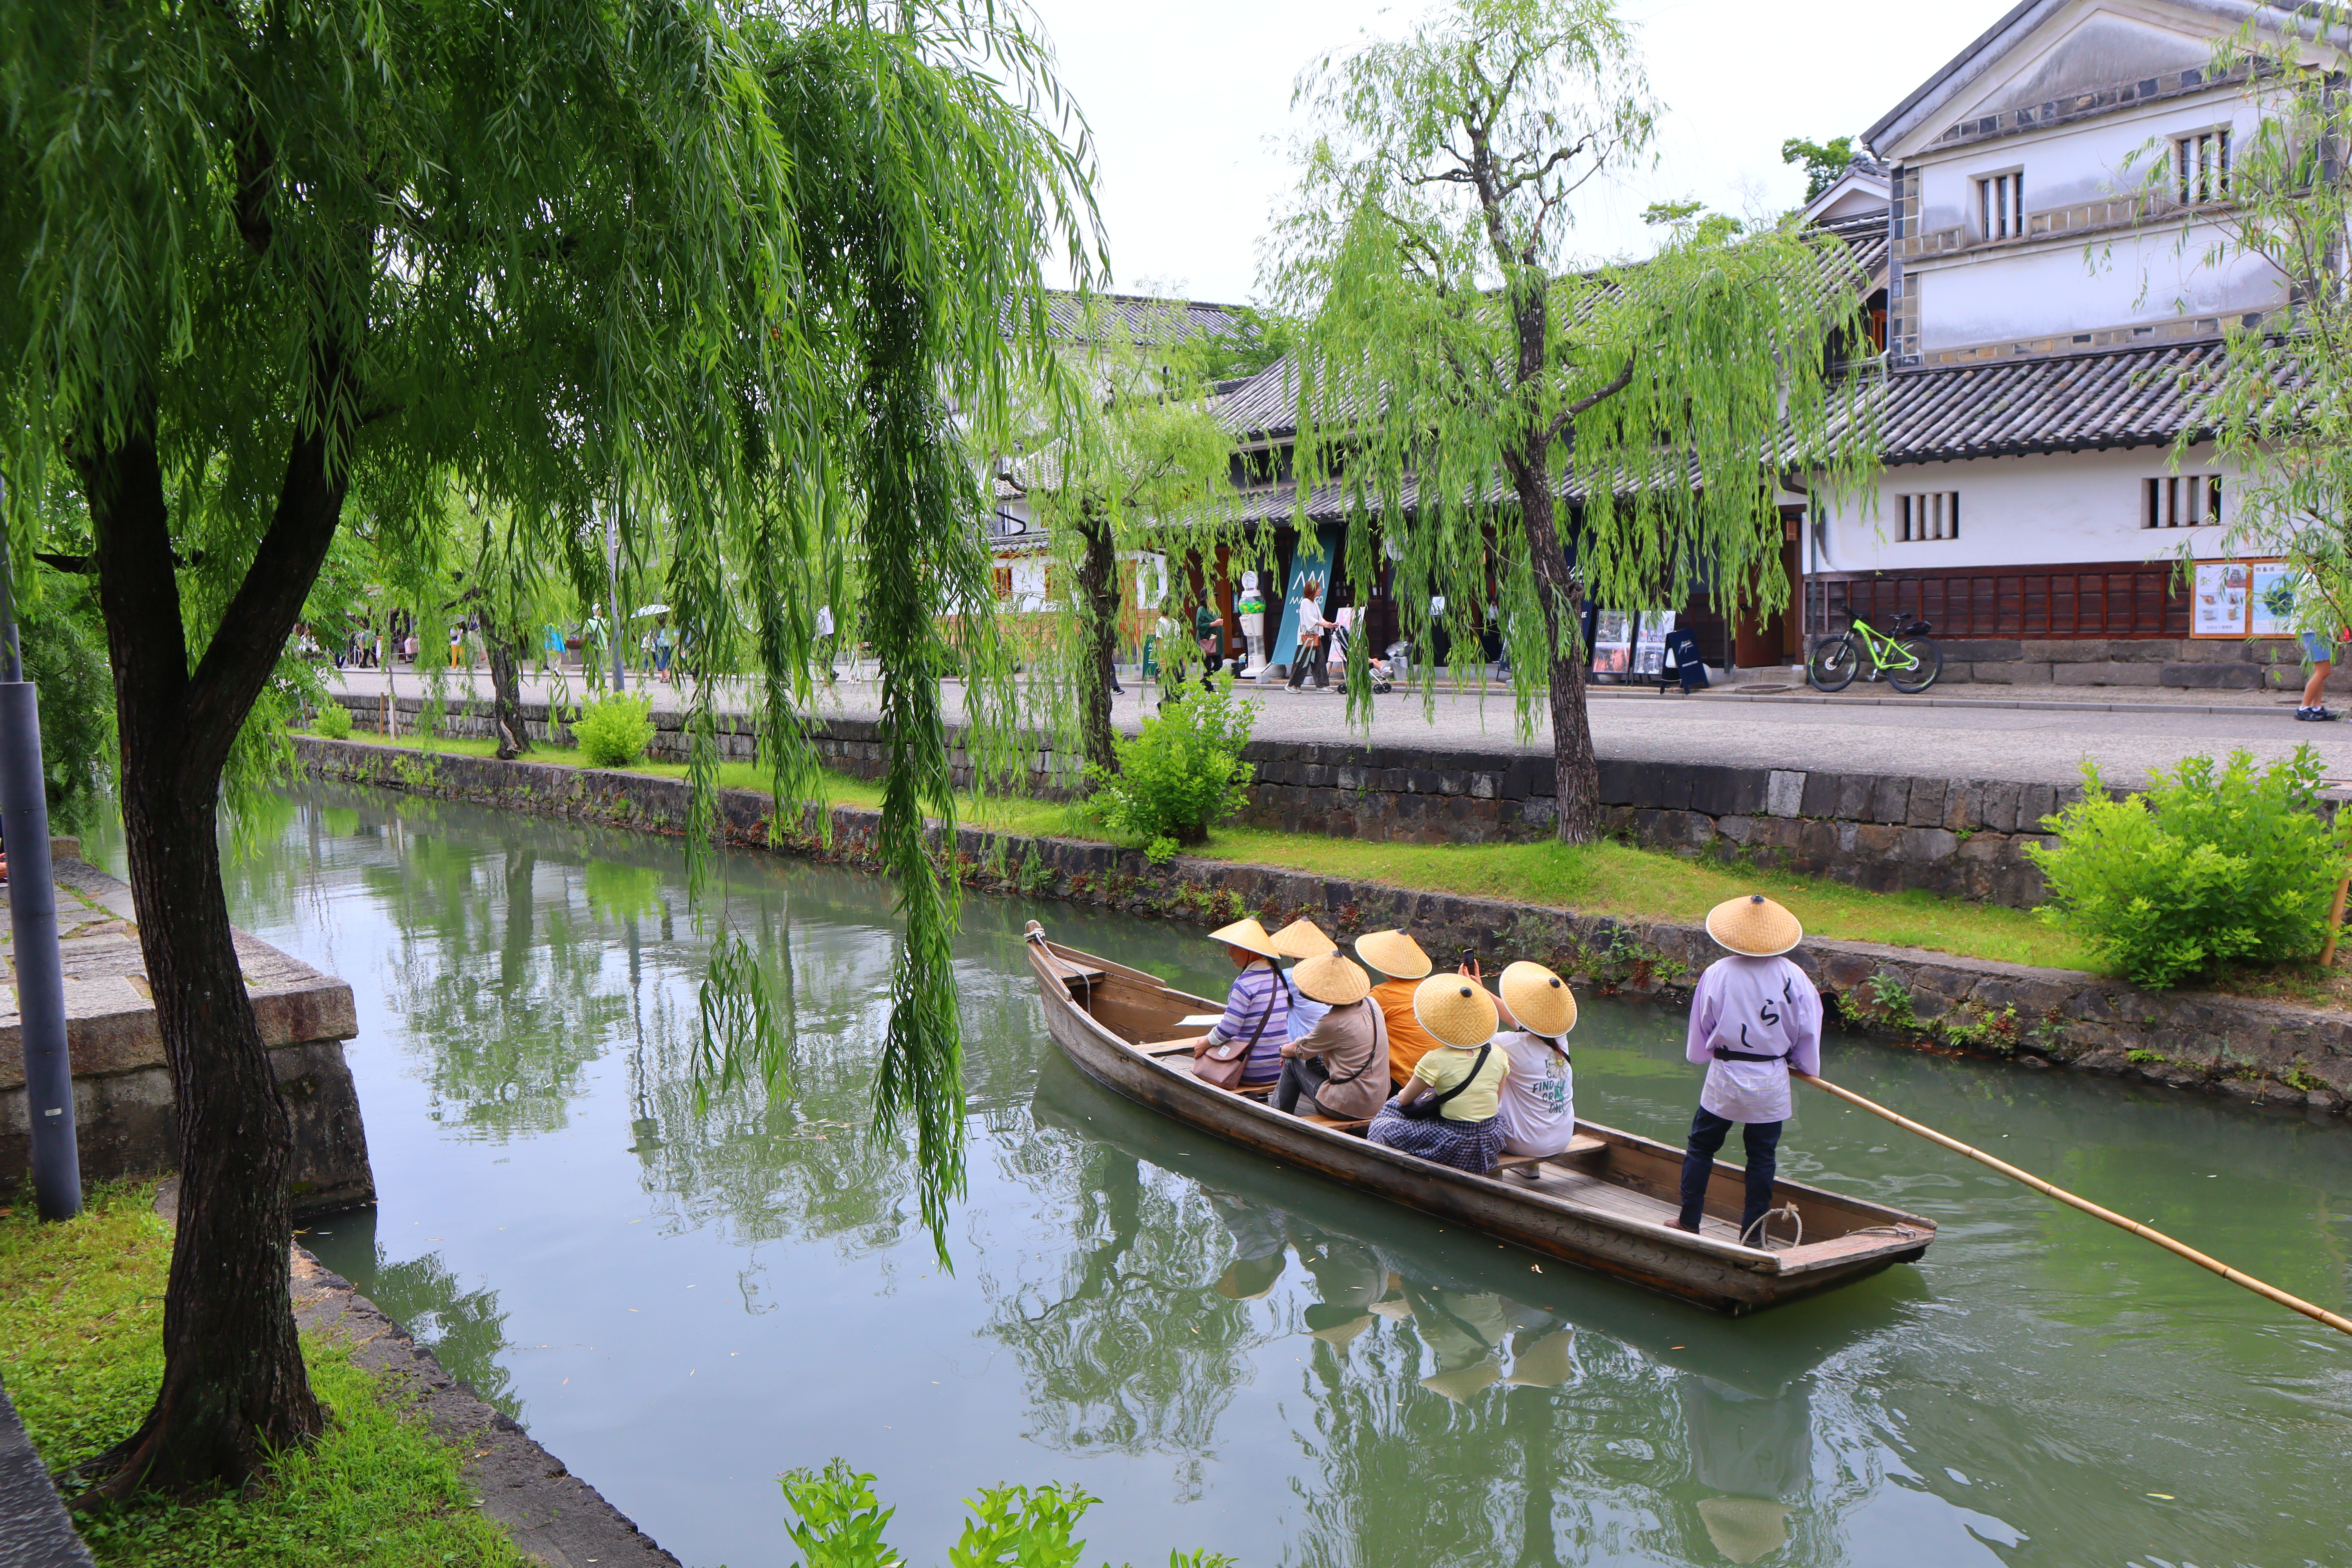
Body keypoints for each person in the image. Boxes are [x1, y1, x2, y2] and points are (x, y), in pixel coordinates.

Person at [1672, 895, 1821, 1245]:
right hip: (1771, 1075)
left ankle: (1689, 1221)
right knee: (1762, 1157)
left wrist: (1702, 1054)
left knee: (1701, 1147)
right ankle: (1753, 1236)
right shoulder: (1795, 976)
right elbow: (1808, 1028)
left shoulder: (1718, 972)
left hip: (1726, 1073)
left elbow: (1703, 1024)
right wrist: (1802, 1063)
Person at [1365, 975, 1509, 1174]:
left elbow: (1405, 1100)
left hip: (1456, 1142)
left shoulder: (1436, 1059)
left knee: (1386, 1118)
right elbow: (1497, 1101)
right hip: (1490, 1137)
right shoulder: (1499, 1053)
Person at [1275, 951, 1391, 1122]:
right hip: (1378, 1101)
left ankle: (1276, 1118)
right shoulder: (1372, 1004)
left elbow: (1299, 1051)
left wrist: (1282, 1050)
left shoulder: (1333, 1023)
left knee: (1291, 1062)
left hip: (1346, 1106)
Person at [1487, 960, 1579, 1158]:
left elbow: (1473, 1035)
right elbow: (1516, 1021)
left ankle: (1496, 1169)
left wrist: (1473, 996)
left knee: (1485, 1069)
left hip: (1523, 1144)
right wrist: (1481, 990)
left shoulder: (1510, 1044)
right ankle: (1531, 1169)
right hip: (1562, 1140)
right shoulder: (1559, 1038)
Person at [1185, 917, 1289, 1092]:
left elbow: (1229, 1029)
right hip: (1279, 1068)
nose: (1229, 953)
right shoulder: (1277, 977)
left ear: (1251, 951)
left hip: (1251, 1070)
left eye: (1233, 947)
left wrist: (1204, 1044)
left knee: (1204, 1052)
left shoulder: (1245, 983)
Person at [1356, 929, 1443, 1089]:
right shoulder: (1434, 986)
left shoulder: (1383, 994)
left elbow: (1356, 1029)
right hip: (1440, 1082)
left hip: (1404, 1081)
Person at [1288, 577, 1330, 690]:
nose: (1320, 590)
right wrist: (1324, 625)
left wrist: (1329, 624)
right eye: (1318, 588)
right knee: (1302, 662)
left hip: (1315, 637)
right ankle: (1292, 685)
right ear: (1312, 590)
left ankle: (1322, 686)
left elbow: (1319, 618)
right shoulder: (1305, 602)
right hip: (1307, 638)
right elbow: (1309, 619)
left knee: (1319, 662)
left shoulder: (1314, 603)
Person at [2298, 625, 2340, 722]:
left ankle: (2317, 707)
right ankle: (2303, 708)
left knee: (2320, 671)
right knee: (2323, 671)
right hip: (2315, 631)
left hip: (2321, 631)